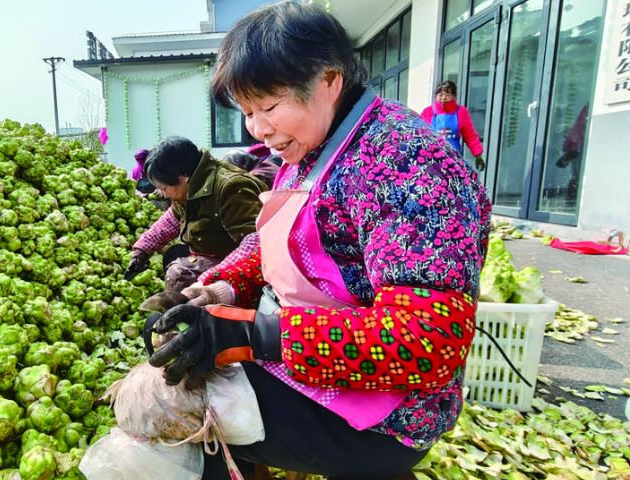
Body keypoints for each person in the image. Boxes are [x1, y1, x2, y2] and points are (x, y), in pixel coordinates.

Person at [145, 2, 492, 479]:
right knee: (186, 376)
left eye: (268, 107)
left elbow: (427, 341)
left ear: (328, 81)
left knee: (174, 409)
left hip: (389, 411)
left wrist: (252, 334)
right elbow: (275, 240)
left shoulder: (407, 162)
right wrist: (222, 287)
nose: (258, 129)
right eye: (247, 112)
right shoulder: (312, 148)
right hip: (318, 361)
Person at [124, 136, 266, 297]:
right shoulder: (189, 187)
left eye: (164, 187)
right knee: (174, 256)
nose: (163, 194)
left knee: (180, 275)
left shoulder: (231, 187)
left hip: (243, 268)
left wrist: (209, 279)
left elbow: (255, 243)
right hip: (211, 253)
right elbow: (172, 219)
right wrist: (142, 249)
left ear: (183, 176)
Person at [420, 80, 486, 171]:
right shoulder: (428, 112)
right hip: (432, 159)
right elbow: (419, 133)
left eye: (447, 95)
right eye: (440, 95)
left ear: (454, 97)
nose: (443, 98)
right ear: (436, 97)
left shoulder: (461, 112)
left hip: (454, 159)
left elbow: (470, 136)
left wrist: (478, 155)